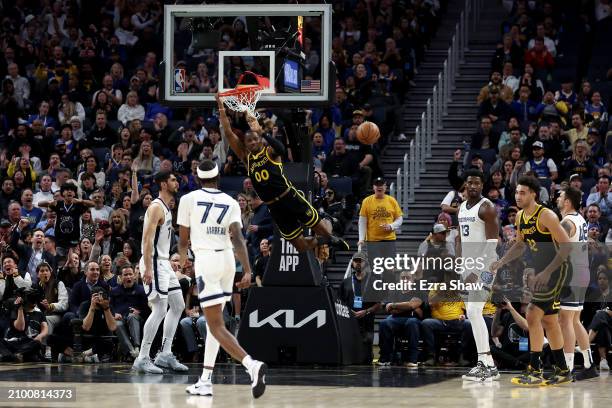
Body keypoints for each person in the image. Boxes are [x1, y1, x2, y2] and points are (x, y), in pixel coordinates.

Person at [178, 160, 267, 398]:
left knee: (215, 325)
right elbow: (238, 238)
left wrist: (183, 260)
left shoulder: (188, 199)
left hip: (207, 260)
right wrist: (247, 270)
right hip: (228, 260)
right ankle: (205, 380)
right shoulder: (230, 201)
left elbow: (183, 240)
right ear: (218, 177)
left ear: (197, 178)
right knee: (213, 323)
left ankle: (252, 365)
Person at [216, 94, 348, 253]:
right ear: (245, 144)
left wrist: (263, 132)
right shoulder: (246, 158)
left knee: (322, 228)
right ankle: (326, 239)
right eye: (249, 140)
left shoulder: (270, 151)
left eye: (255, 139)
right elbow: (229, 133)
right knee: (300, 246)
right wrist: (221, 107)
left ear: (259, 139)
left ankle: (328, 228)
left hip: (289, 196)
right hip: (274, 206)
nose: (252, 142)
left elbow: (281, 149)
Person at [491, 176, 572, 385]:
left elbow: (566, 246)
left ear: (533, 194)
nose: (518, 196)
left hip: (558, 269)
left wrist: (546, 272)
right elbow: (519, 245)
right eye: (517, 192)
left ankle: (535, 371)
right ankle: (562, 370)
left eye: (523, 192)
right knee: (550, 321)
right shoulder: (519, 216)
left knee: (533, 313)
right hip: (542, 271)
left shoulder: (546, 215)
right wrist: (501, 262)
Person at [132, 171, 187, 374]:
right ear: (163, 184)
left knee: (178, 304)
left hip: (164, 263)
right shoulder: (156, 207)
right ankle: (143, 357)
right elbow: (146, 240)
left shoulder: (167, 207)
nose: (176, 181)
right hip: (154, 262)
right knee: (160, 308)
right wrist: (147, 268)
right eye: (173, 179)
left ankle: (165, 353)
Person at [457, 169, 500, 381]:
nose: (472, 186)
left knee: (474, 310)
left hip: (486, 267)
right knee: (473, 312)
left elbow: (493, 244)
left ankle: (485, 362)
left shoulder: (487, 207)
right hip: (469, 266)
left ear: (482, 185)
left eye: (476, 183)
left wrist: (475, 269)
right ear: (465, 185)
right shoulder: (462, 207)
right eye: (469, 183)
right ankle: (489, 364)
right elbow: (460, 239)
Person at [556, 186, 598, 380]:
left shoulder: (567, 222)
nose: (557, 199)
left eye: (560, 196)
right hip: (582, 272)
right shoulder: (580, 219)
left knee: (565, 320)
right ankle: (589, 364)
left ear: (567, 202)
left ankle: (568, 368)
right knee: (574, 320)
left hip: (572, 274)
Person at [357, 177, 403, 250]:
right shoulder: (366, 201)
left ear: (385, 187)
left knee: (389, 261)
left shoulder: (392, 200)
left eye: (382, 185)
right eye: (377, 185)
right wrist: (361, 239)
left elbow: (399, 219)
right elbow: (362, 222)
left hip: (389, 240)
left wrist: (391, 226)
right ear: (373, 187)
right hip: (372, 241)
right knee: (374, 261)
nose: (379, 187)